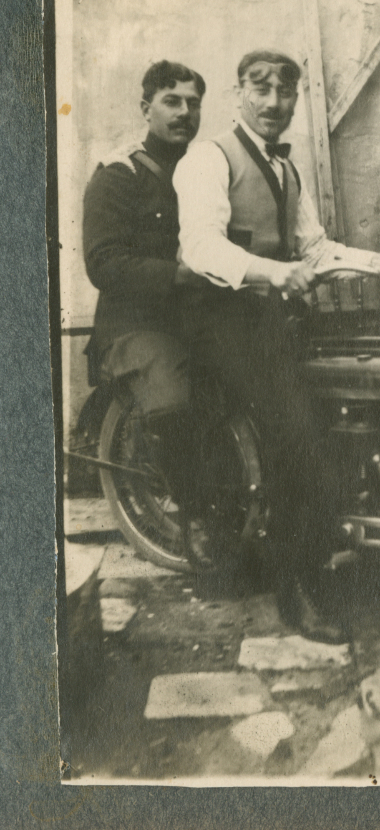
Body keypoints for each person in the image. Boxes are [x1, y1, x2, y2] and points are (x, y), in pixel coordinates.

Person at [173, 49, 380, 643]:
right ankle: (295, 586)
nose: (273, 102)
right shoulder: (207, 159)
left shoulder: (287, 169)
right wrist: (269, 272)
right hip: (219, 321)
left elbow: (316, 249)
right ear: (239, 93)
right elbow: (200, 248)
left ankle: (345, 535)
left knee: (351, 403)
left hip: (273, 321)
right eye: (260, 89)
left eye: (286, 92)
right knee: (297, 435)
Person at [83, 60, 208, 564]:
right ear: (146, 108)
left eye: (193, 103)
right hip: (132, 327)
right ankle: (196, 516)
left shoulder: (204, 170)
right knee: (172, 391)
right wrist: (179, 275)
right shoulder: (119, 175)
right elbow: (103, 263)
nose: (184, 112)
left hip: (193, 318)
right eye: (172, 101)